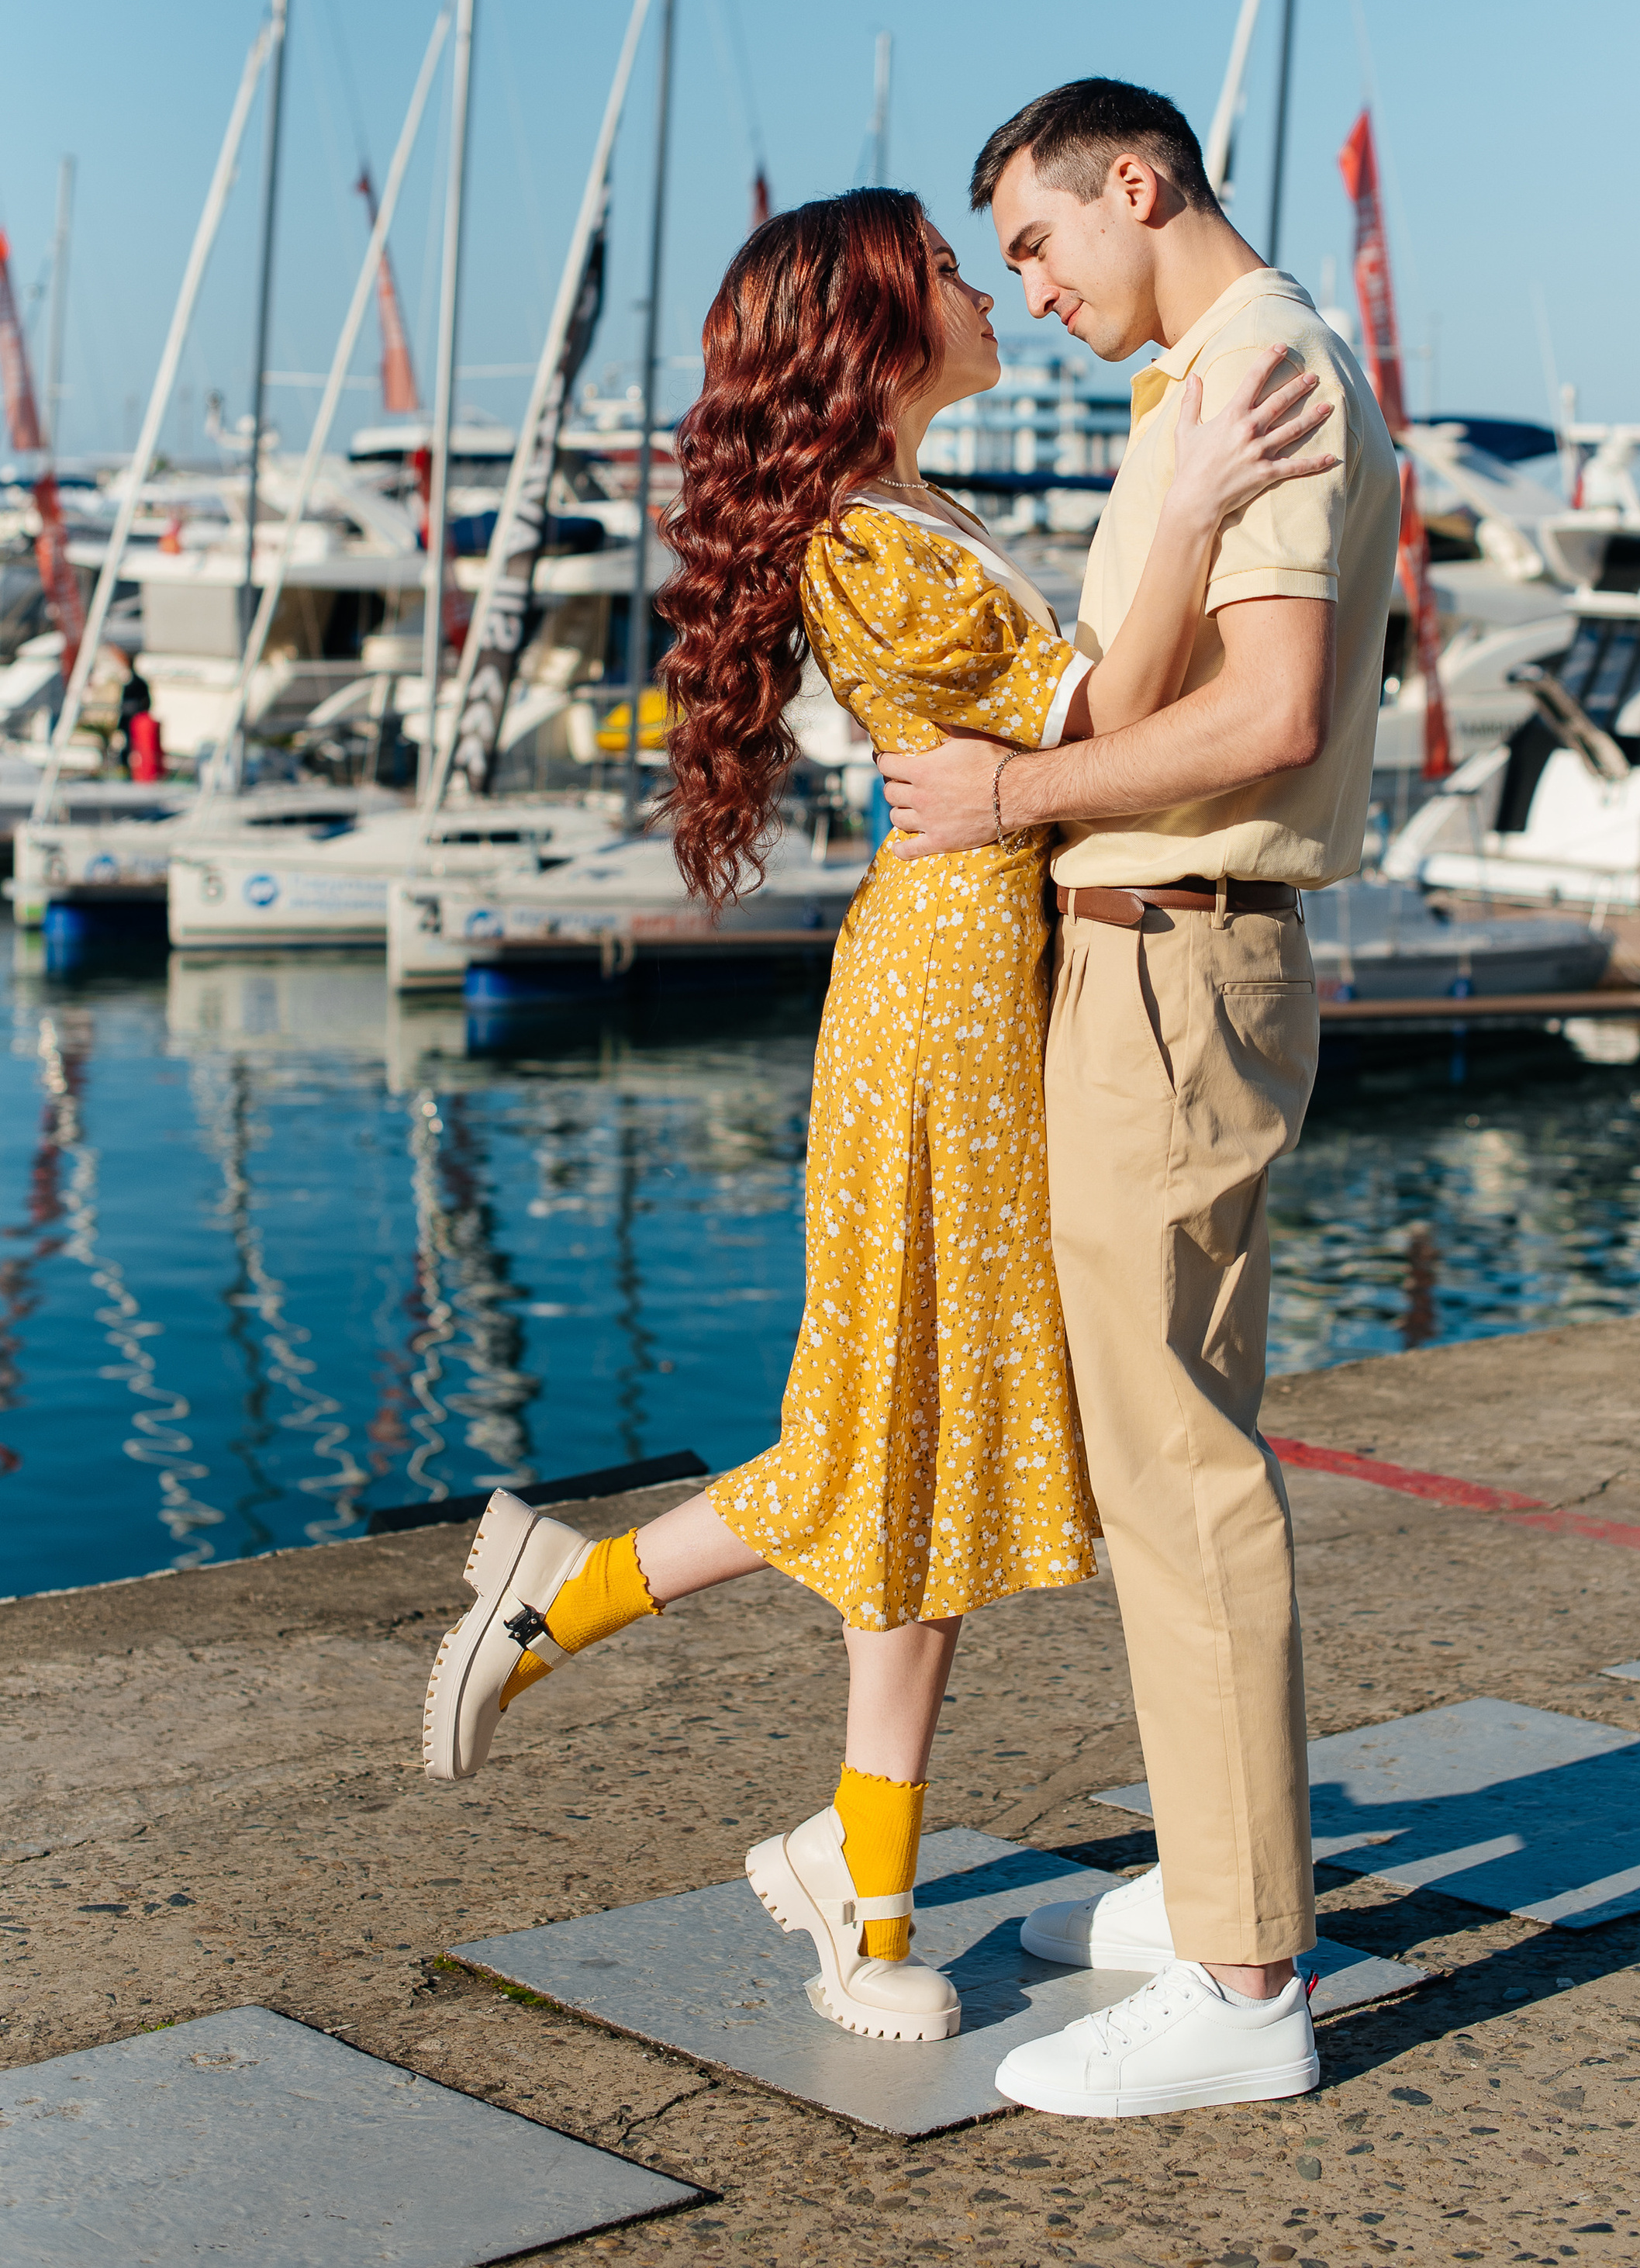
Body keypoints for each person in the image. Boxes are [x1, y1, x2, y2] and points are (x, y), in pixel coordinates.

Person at [419, 185, 1334, 2052]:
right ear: (870, 323)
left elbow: (1052, 733)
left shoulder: (924, 509)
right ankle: (854, 1875)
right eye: (945, 268)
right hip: (941, 995)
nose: (989, 291)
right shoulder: (867, 539)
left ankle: (595, 1614)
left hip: (984, 967)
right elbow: (1100, 701)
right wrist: (1186, 490)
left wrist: (1174, 497)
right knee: (911, 1425)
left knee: (911, 1423)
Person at [876, 78, 1400, 2119]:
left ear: (1139, 180)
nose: (1028, 278)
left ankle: (1244, 1983)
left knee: (1178, 1471)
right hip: (1159, 950)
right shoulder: (1215, 376)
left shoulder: (1257, 371)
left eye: (1031, 235)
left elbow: (1264, 712)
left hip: (1178, 950)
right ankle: (1221, 1885)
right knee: (1167, 1450)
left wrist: (1010, 792)